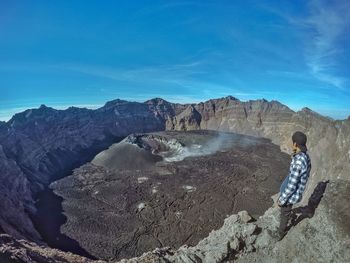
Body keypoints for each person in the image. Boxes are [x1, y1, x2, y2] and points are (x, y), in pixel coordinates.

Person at [277, 131, 312, 240]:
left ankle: (280, 234)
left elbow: (291, 186)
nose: (292, 145)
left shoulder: (298, 163)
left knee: (285, 212)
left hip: (290, 195)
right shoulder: (304, 156)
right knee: (286, 210)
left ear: (295, 144)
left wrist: (281, 200)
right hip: (293, 192)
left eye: (293, 143)